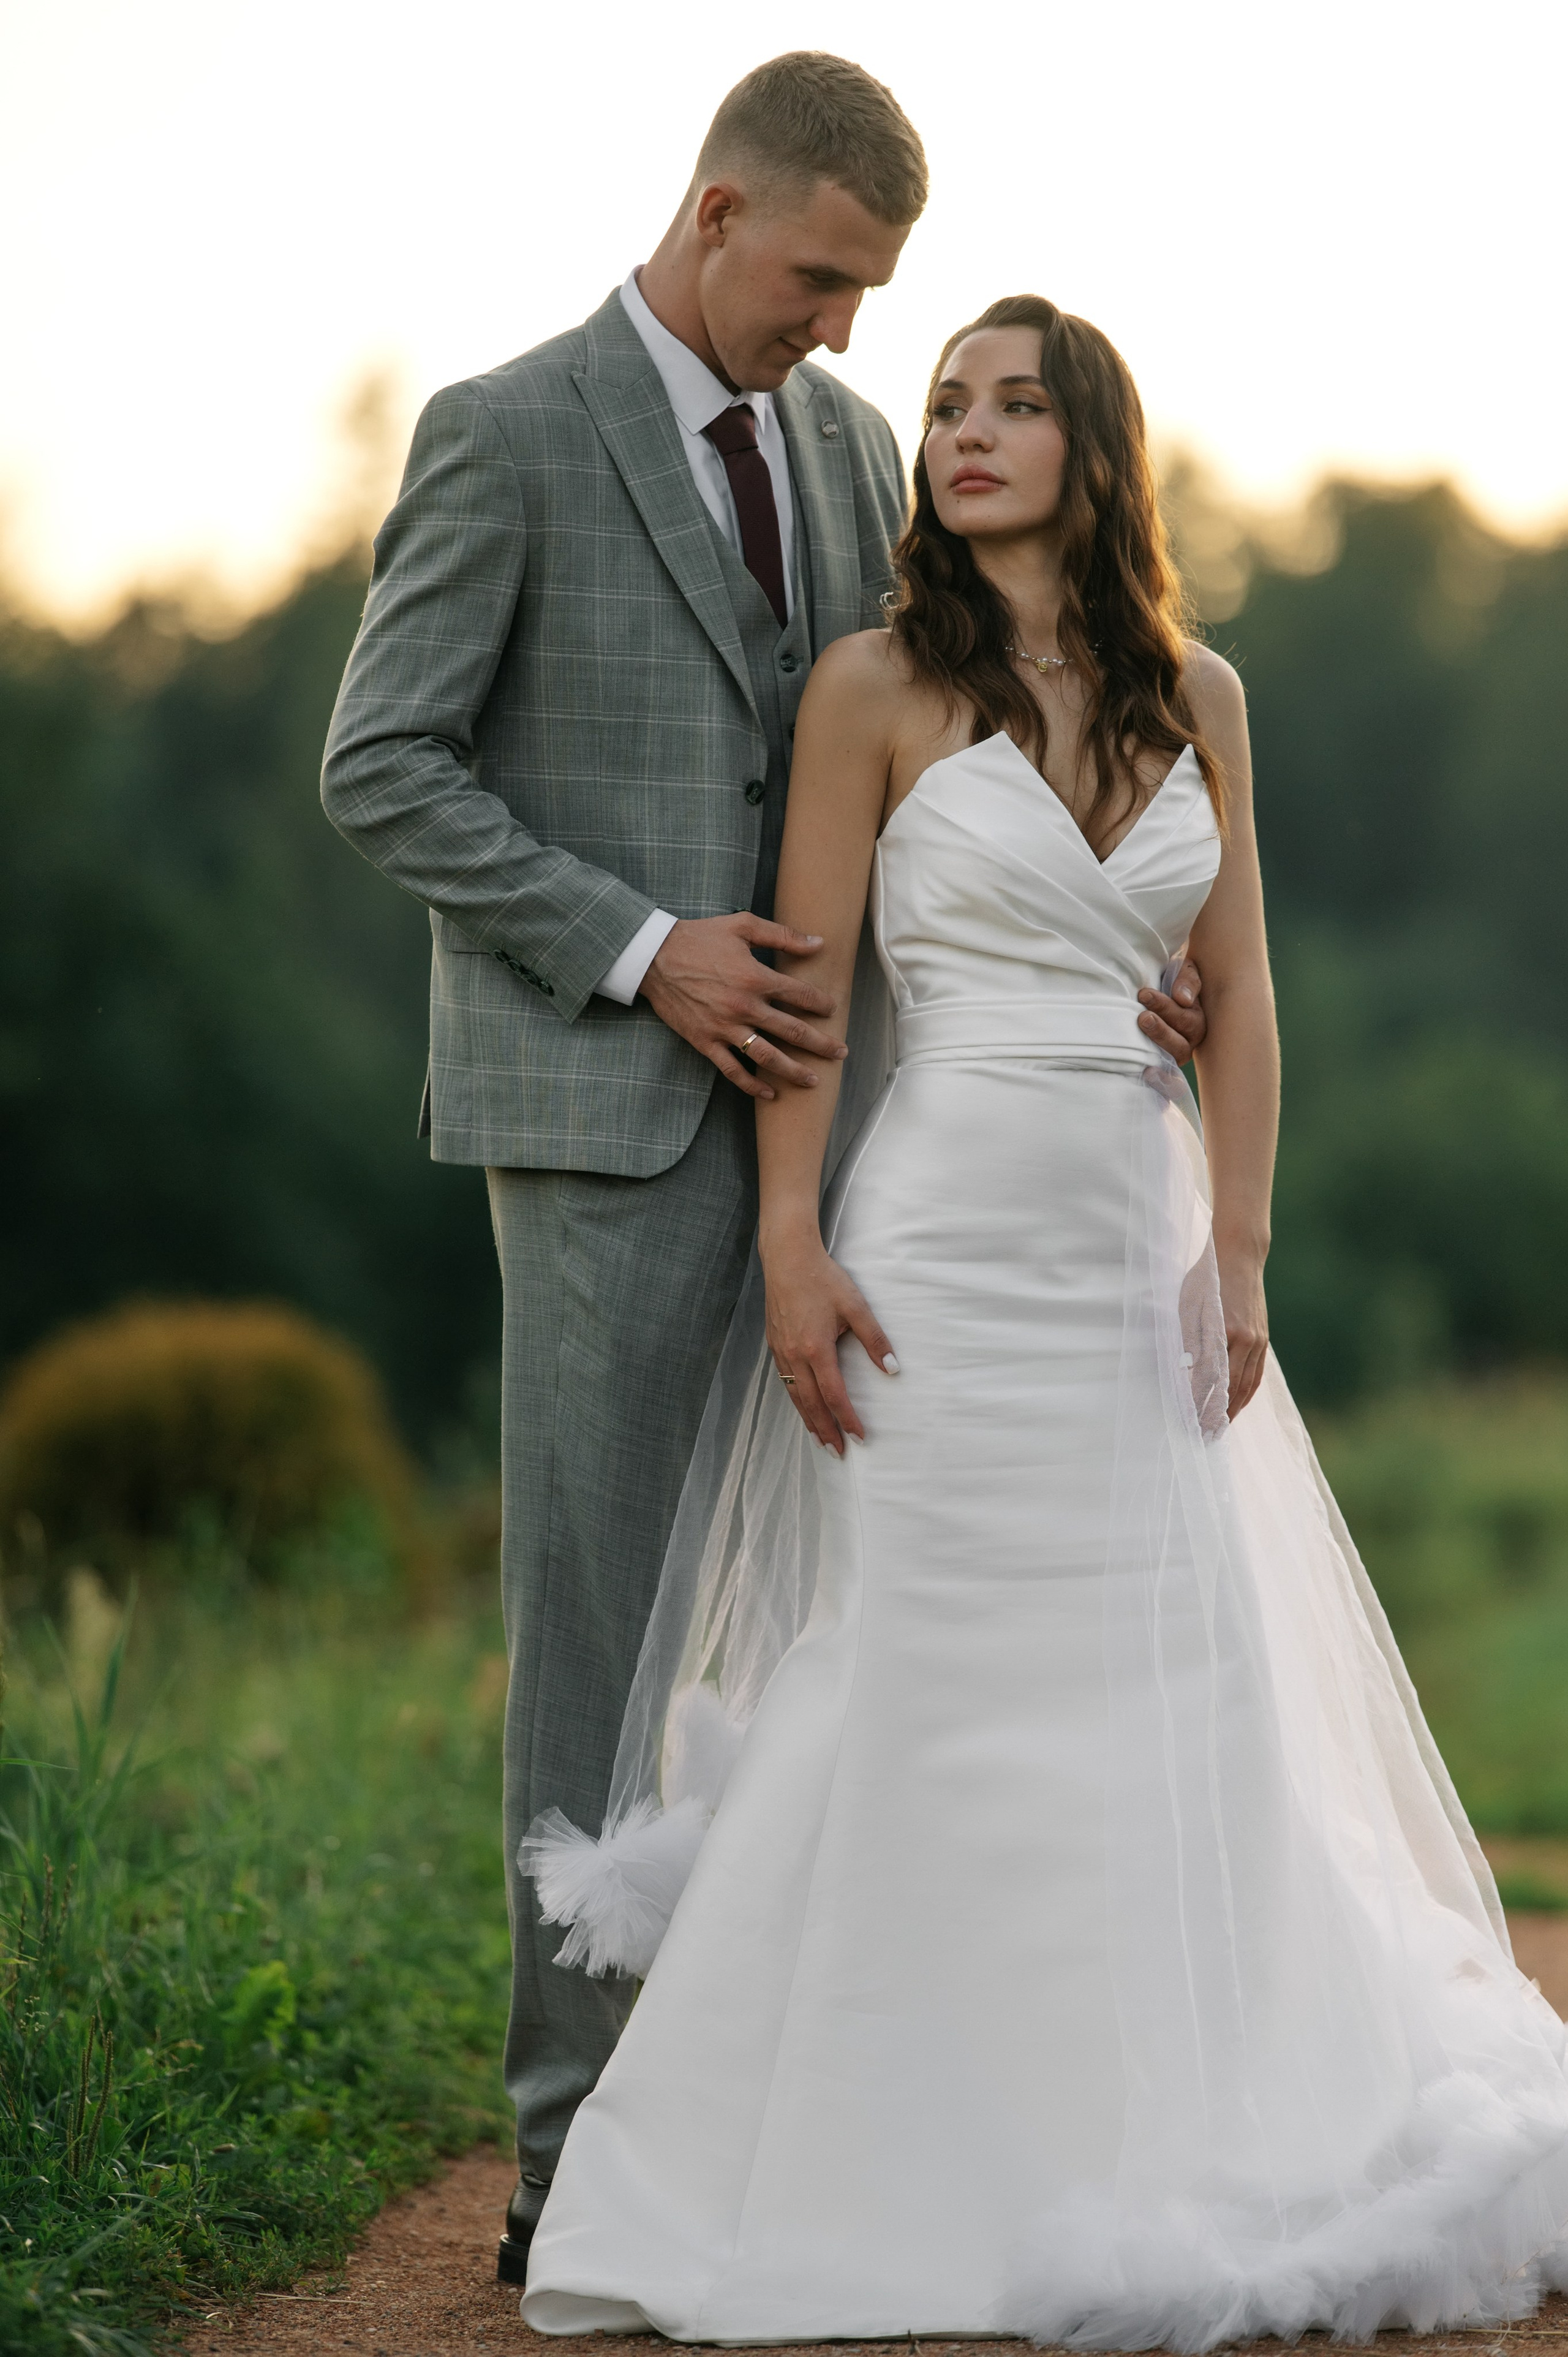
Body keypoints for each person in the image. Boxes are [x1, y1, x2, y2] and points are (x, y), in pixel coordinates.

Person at [518, 297, 1568, 2347]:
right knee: (920, 1657)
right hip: (934, 1243)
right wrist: (794, 1242)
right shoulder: (873, 690)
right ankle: (864, 2151)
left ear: (1097, 446)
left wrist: (1241, 1247)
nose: (965, 436)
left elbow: (1244, 996)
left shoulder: (1203, 695)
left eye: (1013, 406)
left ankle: (1183, 2109)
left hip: (1133, 1238)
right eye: (942, 406)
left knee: (1176, 1668)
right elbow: (807, 1002)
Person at [321, 51, 1208, 2283]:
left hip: (885, 1140)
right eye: (822, 280)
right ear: (719, 210)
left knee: (850, 1630)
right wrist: (640, 952)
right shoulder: (503, 432)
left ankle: (821, 2102)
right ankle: (573, 2148)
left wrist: (1111, 963)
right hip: (609, 1133)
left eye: (870, 298)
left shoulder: (841, 444)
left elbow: (955, 744)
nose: (842, 333)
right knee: (611, 1643)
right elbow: (382, 763)